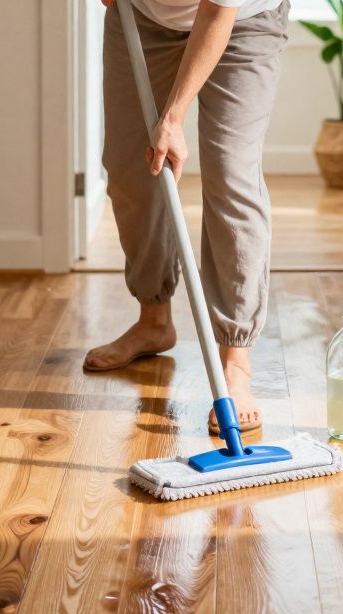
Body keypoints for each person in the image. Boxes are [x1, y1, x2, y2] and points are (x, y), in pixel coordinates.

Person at [83, 0, 289, 435]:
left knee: (230, 174)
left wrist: (173, 117)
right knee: (129, 171)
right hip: (142, 18)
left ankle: (235, 360)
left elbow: (218, 12)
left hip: (241, 23)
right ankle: (153, 320)